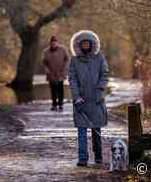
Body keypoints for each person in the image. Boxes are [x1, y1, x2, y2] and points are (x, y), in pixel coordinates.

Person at [68, 30, 109, 166]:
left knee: (96, 129)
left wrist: (100, 91)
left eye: (88, 43)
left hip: (96, 99)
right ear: (79, 45)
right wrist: (76, 97)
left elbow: (104, 74)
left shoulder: (99, 57)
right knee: (81, 130)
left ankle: (98, 157)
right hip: (81, 100)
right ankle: (82, 159)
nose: (86, 45)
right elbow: (72, 79)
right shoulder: (74, 60)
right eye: (83, 43)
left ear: (92, 44)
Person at [42, 36, 69, 111]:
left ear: (57, 43)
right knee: (53, 89)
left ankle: (60, 104)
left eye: (55, 43)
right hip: (51, 73)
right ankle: (54, 104)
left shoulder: (63, 49)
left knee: (60, 88)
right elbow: (44, 62)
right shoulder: (46, 51)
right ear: (50, 43)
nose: (53, 44)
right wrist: (46, 69)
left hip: (61, 72)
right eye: (52, 43)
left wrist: (65, 68)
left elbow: (67, 59)